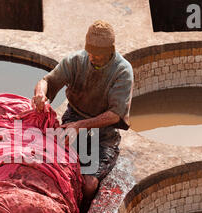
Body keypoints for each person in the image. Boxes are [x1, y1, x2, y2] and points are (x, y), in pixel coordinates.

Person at [31, 20, 134, 202]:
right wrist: (40, 93)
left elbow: (115, 114)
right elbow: (47, 80)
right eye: (90, 52)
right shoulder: (76, 61)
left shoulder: (122, 71)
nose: (93, 57)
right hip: (73, 117)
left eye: (99, 54)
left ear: (110, 50)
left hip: (103, 133)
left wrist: (80, 126)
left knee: (88, 184)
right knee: (49, 167)